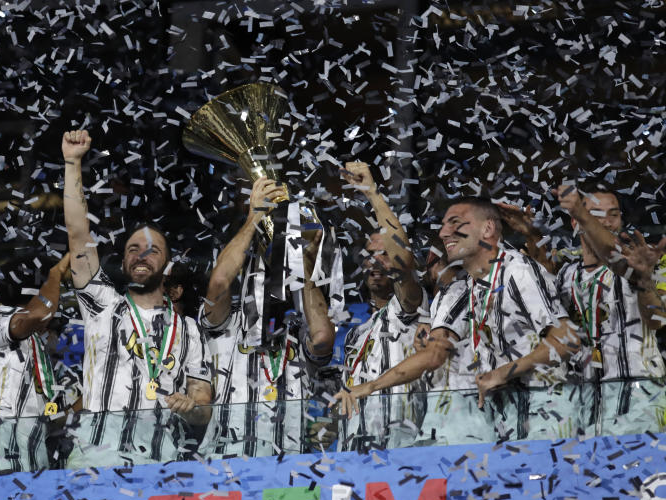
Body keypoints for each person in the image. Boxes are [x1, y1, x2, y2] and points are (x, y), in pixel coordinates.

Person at [335, 197, 581, 442]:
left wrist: (504, 372)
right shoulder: (474, 285)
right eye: (444, 225)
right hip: (512, 418)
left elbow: (567, 340)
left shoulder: (515, 270)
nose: (443, 233)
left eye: (455, 223)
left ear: (486, 229)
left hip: (548, 414)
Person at [60, 129, 212, 467]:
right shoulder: (102, 304)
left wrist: (192, 406)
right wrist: (72, 164)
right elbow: (78, 236)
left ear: (166, 264)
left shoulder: (188, 330)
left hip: (160, 464)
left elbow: (203, 407)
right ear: (125, 261)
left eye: (152, 251)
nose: (141, 256)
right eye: (133, 250)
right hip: (94, 462)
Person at [199, 177, 334, 457]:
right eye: (267, 270)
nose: (274, 278)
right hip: (225, 470)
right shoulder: (227, 324)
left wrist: (305, 263)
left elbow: (322, 339)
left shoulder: (299, 334)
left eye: (284, 270)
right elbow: (220, 283)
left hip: (288, 473)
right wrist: (254, 218)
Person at [552, 183, 666, 435]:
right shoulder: (565, 274)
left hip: (639, 393)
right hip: (583, 397)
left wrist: (644, 281)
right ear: (575, 223)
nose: (606, 222)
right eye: (595, 214)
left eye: (613, 214)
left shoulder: (646, 260)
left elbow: (658, 321)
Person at [336, 162, 428, 450]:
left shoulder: (409, 309)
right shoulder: (355, 333)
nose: (376, 262)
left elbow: (402, 263)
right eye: (370, 255)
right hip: (353, 450)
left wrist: (372, 193)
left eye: (384, 254)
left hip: (400, 449)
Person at [0, 255, 74, 474]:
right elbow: (40, 313)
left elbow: (51, 415)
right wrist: (55, 275)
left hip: (29, 459)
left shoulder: (32, 340)